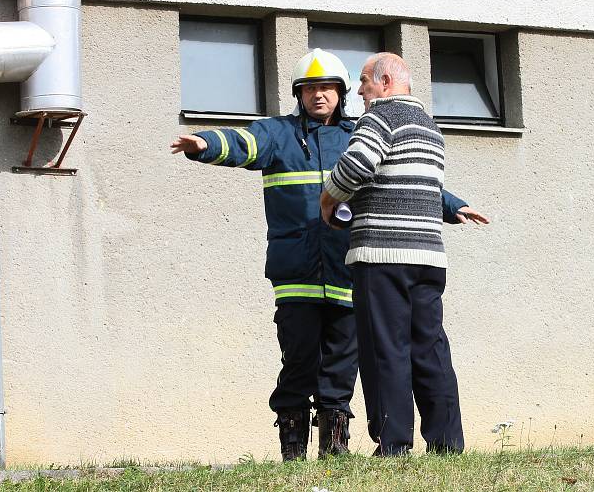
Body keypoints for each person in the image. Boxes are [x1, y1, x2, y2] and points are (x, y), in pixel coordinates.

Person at [171, 49, 486, 461]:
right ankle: (294, 453)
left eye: (328, 88)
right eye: (310, 89)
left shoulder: (361, 131)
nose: (319, 96)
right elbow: (243, 143)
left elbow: (400, 179)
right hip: (297, 272)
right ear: (299, 95)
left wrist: (452, 205)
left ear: (341, 93)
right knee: (299, 363)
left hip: (344, 271)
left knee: (341, 367)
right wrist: (205, 142)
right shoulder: (278, 134)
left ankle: (335, 451)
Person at [321, 52, 477, 456]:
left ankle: (393, 444)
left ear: (386, 82)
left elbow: (356, 165)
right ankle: (447, 443)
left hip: (382, 255)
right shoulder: (430, 129)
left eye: (364, 81)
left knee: (385, 349)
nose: (359, 90)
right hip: (428, 257)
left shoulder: (379, 118)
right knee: (430, 349)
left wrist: (329, 198)